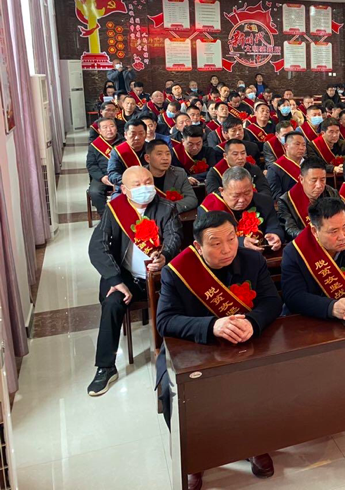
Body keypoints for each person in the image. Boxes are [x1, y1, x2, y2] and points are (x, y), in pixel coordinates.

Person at [156, 211, 281, 488]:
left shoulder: (252, 260)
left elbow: (272, 302)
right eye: (215, 243)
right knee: (171, 389)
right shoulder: (177, 271)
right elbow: (164, 321)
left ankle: (253, 443)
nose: (226, 249)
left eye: (231, 239)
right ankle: (193, 458)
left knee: (270, 372)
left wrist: (253, 322)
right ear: (198, 247)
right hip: (194, 347)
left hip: (244, 342)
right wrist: (212, 325)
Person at [87, 166, 182, 396]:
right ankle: (106, 367)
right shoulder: (115, 209)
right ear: (124, 189)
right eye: (137, 185)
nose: (144, 188)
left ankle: (180, 353)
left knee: (182, 297)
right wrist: (115, 279)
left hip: (158, 275)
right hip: (126, 277)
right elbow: (97, 246)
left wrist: (164, 256)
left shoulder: (166, 207)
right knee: (112, 303)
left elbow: (174, 237)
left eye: (148, 182)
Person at [280, 197, 345, 320]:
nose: (342, 236)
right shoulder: (295, 252)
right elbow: (294, 296)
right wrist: (331, 308)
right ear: (314, 231)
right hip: (310, 321)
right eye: (334, 231)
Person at [198, 166, 283, 251]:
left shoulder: (264, 201)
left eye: (247, 193)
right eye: (236, 196)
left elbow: (274, 225)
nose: (242, 200)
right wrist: (240, 242)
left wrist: (275, 235)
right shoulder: (209, 209)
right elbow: (209, 242)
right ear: (222, 191)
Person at [278, 158, 338, 240]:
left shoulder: (332, 193)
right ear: (301, 179)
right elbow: (290, 231)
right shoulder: (286, 201)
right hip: (305, 242)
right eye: (314, 180)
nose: (319, 185)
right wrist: (318, 236)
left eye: (323, 179)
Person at [143, 139, 197, 213]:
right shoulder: (138, 176)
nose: (165, 158)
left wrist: (168, 209)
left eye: (168, 154)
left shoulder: (179, 173)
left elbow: (192, 199)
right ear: (147, 158)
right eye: (159, 154)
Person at [205, 139, 270, 197]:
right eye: (235, 154)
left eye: (243, 153)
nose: (240, 157)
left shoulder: (254, 169)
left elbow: (265, 191)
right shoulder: (215, 173)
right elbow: (215, 196)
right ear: (225, 156)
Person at [87, 118, 123, 215]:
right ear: (99, 131)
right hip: (103, 175)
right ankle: (105, 216)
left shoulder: (124, 142)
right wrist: (102, 177)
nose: (109, 130)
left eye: (112, 126)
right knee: (94, 192)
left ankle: (124, 215)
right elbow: (91, 165)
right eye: (105, 127)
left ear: (116, 128)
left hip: (121, 174)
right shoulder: (94, 146)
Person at [107, 118, 148, 189]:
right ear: (125, 135)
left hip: (149, 185)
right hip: (125, 187)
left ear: (146, 134)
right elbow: (112, 174)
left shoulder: (152, 149)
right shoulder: (118, 151)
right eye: (133, 134)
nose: (137, 137)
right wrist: (130, 182)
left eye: (141, 134)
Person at [267, 130, 306, 201]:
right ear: (286, 146)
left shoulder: (310, 164)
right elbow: (276, 196)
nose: (301, 148)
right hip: (290, 205)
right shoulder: (275, 169)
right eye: (297, 144)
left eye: (304, 145)